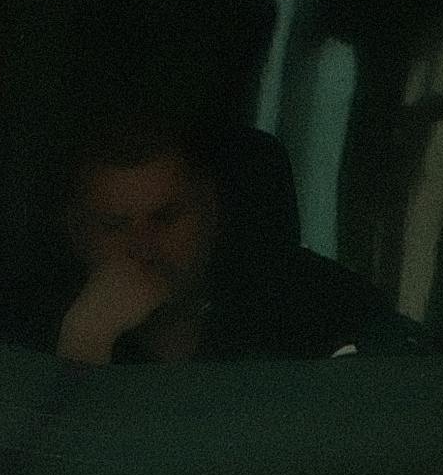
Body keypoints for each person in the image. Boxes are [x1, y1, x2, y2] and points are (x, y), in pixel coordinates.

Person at [45, 115, 397, 369]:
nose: (144, 247)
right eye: (114, 227)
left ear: (210, 214)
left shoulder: (318, 306)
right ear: (78, 234)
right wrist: (84, 343)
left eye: (166, 218)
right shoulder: (25, 338)